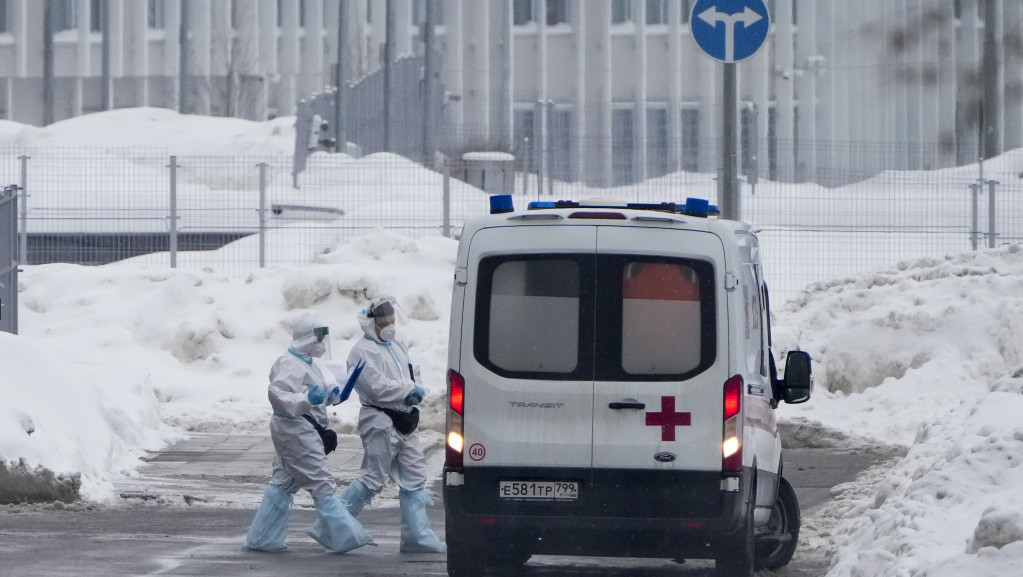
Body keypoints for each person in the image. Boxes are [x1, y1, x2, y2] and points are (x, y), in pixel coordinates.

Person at [244, 315, 371, 554]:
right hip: (295, 429)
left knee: (284, 481)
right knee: (320, 481)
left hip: (302, 428)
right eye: (319, 338)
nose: (322, 343)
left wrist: (334, 394)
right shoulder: (288, 364)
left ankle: (262, 537)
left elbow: (315, 392)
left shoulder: (308, 362)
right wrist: (305, 400)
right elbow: (278, 395)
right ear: (308, 339)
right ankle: (344, 536)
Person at [340, 295, 445, 553]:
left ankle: (416, 537)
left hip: (405, 419)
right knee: (373, 478)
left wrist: (416, 387)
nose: (388, 322)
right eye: (383, 318)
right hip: (379, 420)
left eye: (391, 317)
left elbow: (411, 371)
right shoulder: (360, 352)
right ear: (370, 321)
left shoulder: (397, 343)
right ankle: (334, 526)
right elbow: (375, 387)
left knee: (414, 476)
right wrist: (407, 389)